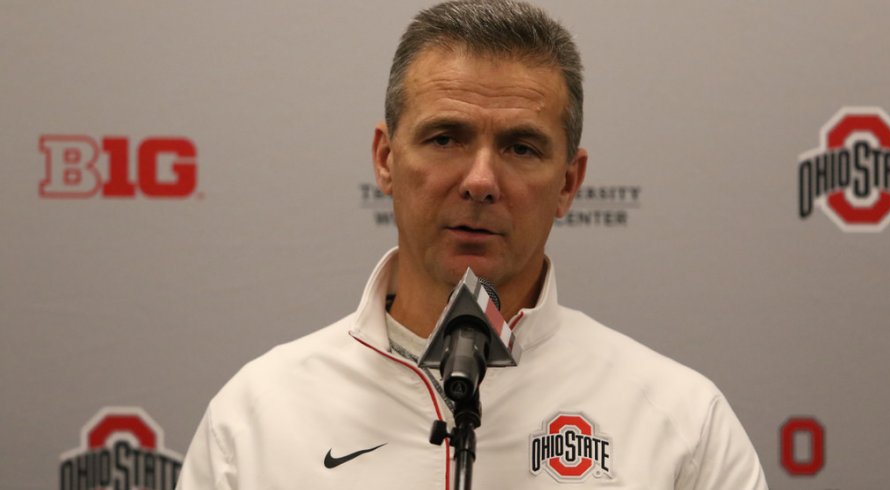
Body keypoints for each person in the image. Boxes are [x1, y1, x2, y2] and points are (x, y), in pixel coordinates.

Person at [177, 1, 768, 488]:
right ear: (386, 159)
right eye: (445, 137)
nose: (481, 181)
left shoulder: (682, 425)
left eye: (521, 148)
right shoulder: (256, 420)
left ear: (568, 183)